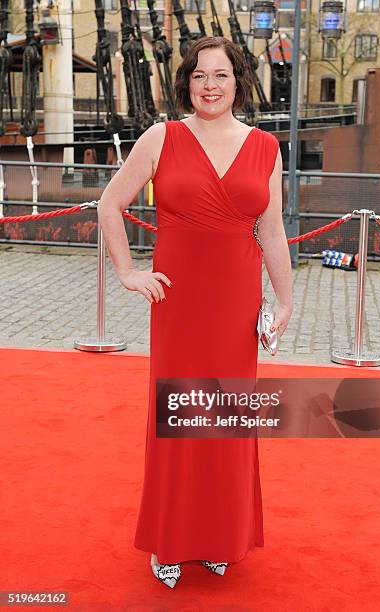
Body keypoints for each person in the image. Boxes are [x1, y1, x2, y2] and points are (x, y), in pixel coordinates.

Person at [97, 36, 293, 589]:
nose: (210, 85)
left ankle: (219, 537)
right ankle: (171, 540)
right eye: (201, 75)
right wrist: (129, 273)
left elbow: (272, 232)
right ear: (187, 82)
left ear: (239, 81)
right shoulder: (162, 137)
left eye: (222, 75)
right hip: (179, 304)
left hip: (236, 307)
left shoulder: (266, 147)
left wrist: (284, 300)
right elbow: (112, 203)